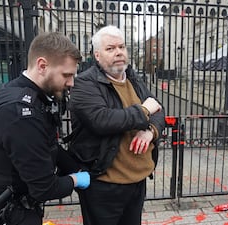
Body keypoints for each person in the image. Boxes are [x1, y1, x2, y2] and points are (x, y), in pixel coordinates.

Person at [0, 32, 90, 225]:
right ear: (42, 65)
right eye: (66, 75)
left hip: (8, 205)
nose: (71, 83)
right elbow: (44, 188)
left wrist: (77, 168)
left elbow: (47, 145)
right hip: (8, 212)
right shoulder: (21, 114)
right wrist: (75, 180)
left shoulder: (20, 93)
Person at [68, 25, 165, 225]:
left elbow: (159, 110)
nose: (119, 52)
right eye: (110, 48)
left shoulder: (134, 79)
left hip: (137, 180)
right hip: (104, 184)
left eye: (122, 46)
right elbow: (102, 121)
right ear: (97, 55)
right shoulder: (84, 84)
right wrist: (144, 111)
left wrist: (150, 132)